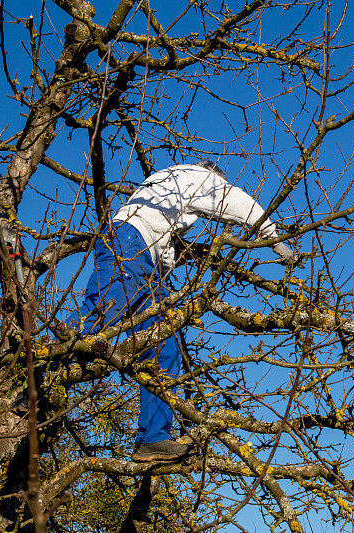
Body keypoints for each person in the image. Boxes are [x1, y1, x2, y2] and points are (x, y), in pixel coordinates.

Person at [72, 161, 293, 462]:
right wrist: (274, 238)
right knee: (103, 311)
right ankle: (40, 367)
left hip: (145, 262)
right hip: (131, 244)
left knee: (164, 344)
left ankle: (152, 439)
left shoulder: (166, 185)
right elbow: (234, 201)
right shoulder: (197, 177)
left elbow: (165, 236)